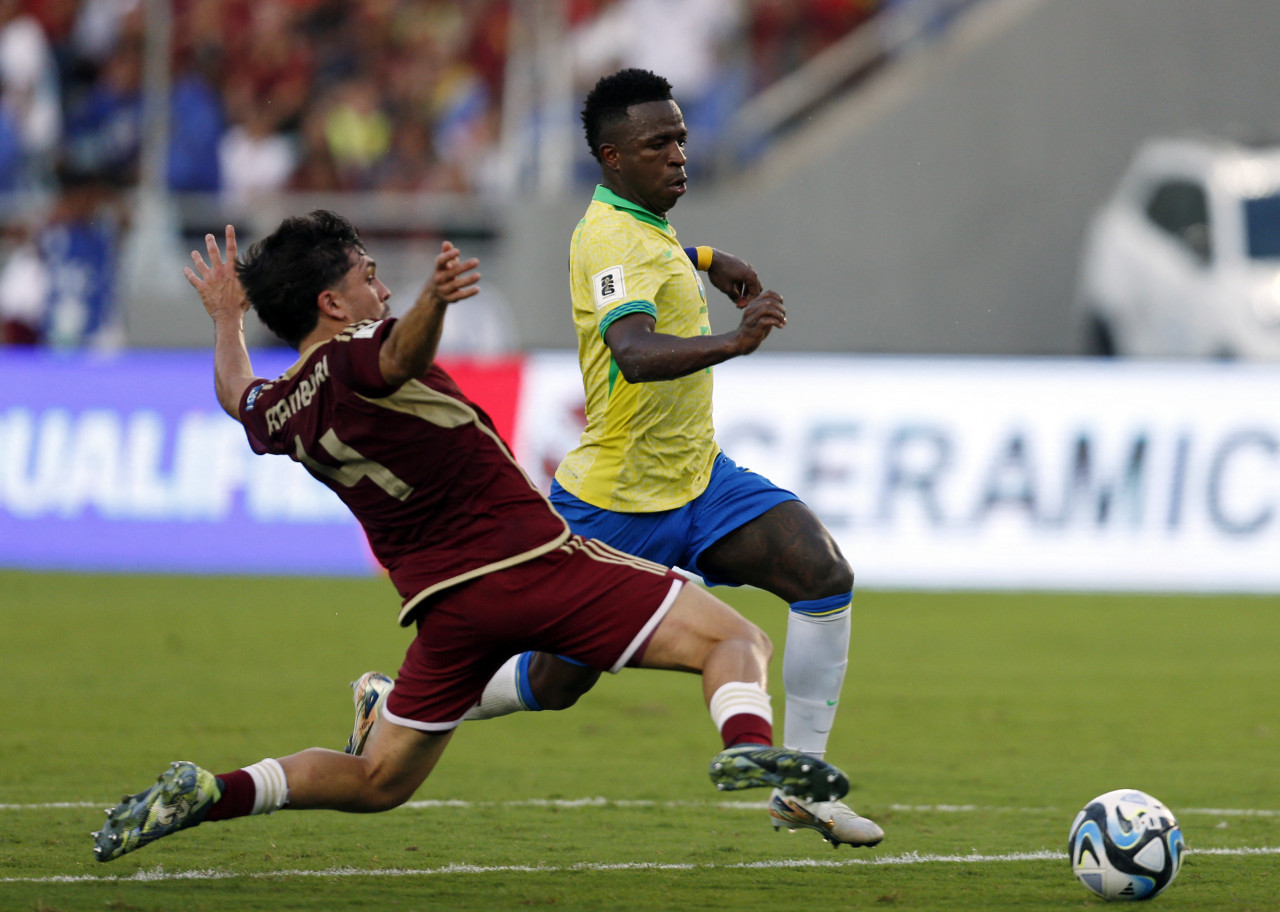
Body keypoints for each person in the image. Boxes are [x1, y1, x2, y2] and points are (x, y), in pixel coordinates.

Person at [91, 212, 851, 863]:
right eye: (368, 276)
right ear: (331, 301)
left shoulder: (283, 405)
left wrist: (226, 318)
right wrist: (433, 300)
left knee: (379, 781)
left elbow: (235, 395)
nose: (381, 289)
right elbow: (397, 356)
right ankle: (746, 744)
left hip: (447, 610)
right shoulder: (364, 354)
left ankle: (215, 789)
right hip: (535, 563)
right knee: (735, 641)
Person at [354, 69, 883, 850]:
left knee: (822, 573)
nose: (678, 155)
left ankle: (798, 785)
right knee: (557, 682)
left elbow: (651, 256)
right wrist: (734, 340)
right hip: (616, 504)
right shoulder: (604, 236)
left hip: (699, 478)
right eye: (657, 143)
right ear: (611, 156)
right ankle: (395, 702)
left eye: (681, 138)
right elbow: (632, 351)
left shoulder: (640, 221)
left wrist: (704, 255)